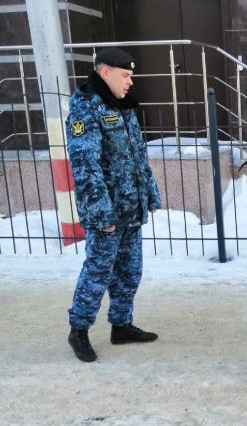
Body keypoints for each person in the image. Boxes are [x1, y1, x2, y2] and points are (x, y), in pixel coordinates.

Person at [65, 48, 161, 362]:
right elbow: (85, 166)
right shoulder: (86, 108)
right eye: (125, 75)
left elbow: (137, 157)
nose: (130, 82)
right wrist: (101, 213)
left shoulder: (124, 106)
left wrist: (149, 193)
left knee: (130, 272)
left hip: (130, 207)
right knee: (98, 272)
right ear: (105, 72)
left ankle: (121, 325)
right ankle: (79, 330)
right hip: (106, 213)